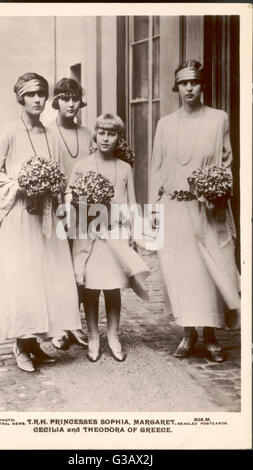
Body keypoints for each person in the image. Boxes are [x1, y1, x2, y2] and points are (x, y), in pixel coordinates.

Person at [0, 72, 82, 372]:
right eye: (31, 95)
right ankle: (20, 345)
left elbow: (60, 175)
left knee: (44, 280)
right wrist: (19, 185)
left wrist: (63, 201)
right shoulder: (10, 133)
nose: (37, 99)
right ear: (21, 99)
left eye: (41, 94)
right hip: (19, 217)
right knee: (22, 280)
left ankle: (35, 343)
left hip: (46, 218)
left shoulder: (51, 134)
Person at [150, 60, 240, 362]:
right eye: (184, 83)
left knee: (209, 271)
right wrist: (153, 215)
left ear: (202, 85)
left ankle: (211, 335)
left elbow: (226, 163)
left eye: (195, 82)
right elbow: (157, 170)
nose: (189, 88)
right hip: (174, 207)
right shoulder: (165, 124)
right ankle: (188, 334)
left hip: (206, 208)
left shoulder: (218, 119)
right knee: (182, 271)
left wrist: (216, 191)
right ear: (177, 87)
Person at [65, 113, 149, 362]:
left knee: (112, 287)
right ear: (95, 134)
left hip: (115, 233)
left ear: (118, 138)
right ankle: (93, 335)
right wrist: (79, 206)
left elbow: (131, 203)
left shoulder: (124, 168)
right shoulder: (82, 166)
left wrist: (133, 233)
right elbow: (70, 197)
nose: (105, 138)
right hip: (88, 233)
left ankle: (113, 335)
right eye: (101, 132)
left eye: (111, 134)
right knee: (91, 288)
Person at [48, 78, 92, 349]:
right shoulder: (47, 132)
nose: (71, 103)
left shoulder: (88, 135)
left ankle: (73, 322)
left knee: (81, 267)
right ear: (56, 102)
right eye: (65, 98)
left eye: (75, 98)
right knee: (58, 267)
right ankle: (59, 327)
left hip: (86, 210)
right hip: (56, 210)